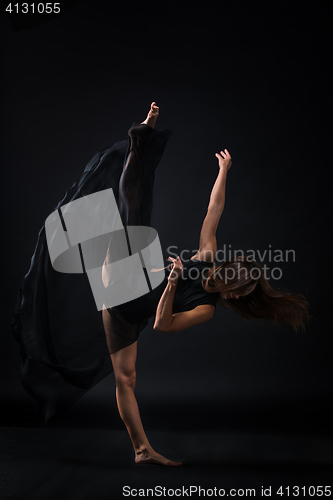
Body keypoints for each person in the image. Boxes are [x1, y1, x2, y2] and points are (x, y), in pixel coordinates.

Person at [11, 102, 310, 466]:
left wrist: (170, 285)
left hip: (125, 312)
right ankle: (140, 141)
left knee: (127, 378)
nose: (233, 289)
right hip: (124, 274)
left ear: (235, 297)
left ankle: (141, 450)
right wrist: (224, 170)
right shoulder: (206, 257)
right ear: (232, 270)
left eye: (239, 293)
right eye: (238, 281)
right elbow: (214, 209)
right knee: (134, 218)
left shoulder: (205, 310)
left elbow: (161, 324)